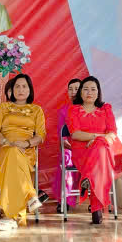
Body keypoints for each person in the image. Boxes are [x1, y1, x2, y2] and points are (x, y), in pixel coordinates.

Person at [0, 73, 47, 231]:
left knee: (15, 156)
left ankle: (10, 215)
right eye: (17, 86)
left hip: (26, 151)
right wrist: (6, 142)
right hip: (4, 148)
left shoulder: (37, 110)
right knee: (12, 153)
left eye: (24, 86)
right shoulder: (3, 107)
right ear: (12, 90)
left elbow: (41, 135)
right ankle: (29, 195)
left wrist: (27, 143)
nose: (21, 90)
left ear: (30, 90)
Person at [67, 76, 122, 224]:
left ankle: (87, 178)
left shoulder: (106, 108)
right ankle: (96, 208)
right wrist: (97, 137)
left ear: (98, 92)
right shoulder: (73, 109)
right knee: (100, 151)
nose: (89, 92)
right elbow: (75, 134)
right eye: (85, 89)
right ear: (80, 92)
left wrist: (97, 141)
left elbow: (112, 133)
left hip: (102, 151)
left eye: (93, 89)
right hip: (82, 150)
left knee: (100, 149)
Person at [50, 78, 82, 212]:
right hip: (70, 147)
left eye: (77, 89)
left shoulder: (88, 109)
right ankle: (64, 199)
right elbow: (62, 137)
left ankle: (94, 201)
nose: (73, 92)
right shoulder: (63, 111)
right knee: (66, 157)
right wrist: (73, 147)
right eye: (70, 89)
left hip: (87, 147)